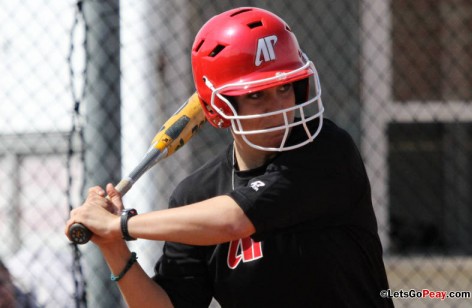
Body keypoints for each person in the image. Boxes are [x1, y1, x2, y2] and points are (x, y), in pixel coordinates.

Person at [66, 7, 393, 307]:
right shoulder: (196, 196)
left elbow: (234, 220)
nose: (279, 107)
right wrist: (112, 244)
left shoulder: (326, 151)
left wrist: (121, 224)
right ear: (219, 108)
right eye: (256, 95)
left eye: (285, 87)